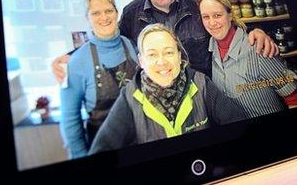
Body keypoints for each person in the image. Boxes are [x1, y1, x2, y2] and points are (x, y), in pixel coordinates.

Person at [52, 0, 276, 80]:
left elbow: (227, 24)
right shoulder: (132, 13)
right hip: (161, 92)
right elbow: (110, 41)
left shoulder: (197, 4)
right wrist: (71, 56)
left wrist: (255, 32)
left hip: (207, 88)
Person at [88, 24, 245, 154]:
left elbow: (239, 126)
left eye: (169, 52)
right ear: (141, 61)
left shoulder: (201, 84)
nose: (161, 62)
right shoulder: (130, 97)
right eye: (152, 55)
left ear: (179, 55)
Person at [197, 0, 297, 118]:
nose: (212, 23)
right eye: (206, 17)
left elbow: (294, 98)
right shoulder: (211, 48)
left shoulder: (258, 49)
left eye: (217, 15)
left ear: (230, 15)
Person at [60, 0, 138, 159]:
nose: (104, 17)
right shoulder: (77, 61)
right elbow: (69, 118)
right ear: (87, 18)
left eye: (109, 11)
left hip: (141, 139)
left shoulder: (131, 46)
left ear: (117, 13)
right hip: (104, 149)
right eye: (96, 13)